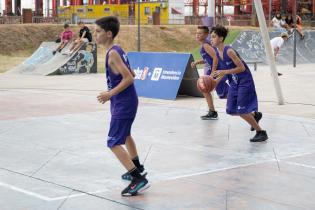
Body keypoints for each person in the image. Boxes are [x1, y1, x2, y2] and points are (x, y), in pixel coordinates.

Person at [95, 16, 149, 196]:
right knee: (125, 135)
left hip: (124, 102)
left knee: (113, 142)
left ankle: (137, 179)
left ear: (108, 34)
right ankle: (138, 167)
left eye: (98, 31)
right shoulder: (117, 50)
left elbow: (130, 77)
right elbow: (131, 72)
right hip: (124, 100)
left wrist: (110, 93)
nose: (95, 34)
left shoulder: (113, 53)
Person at [210, 25, 268, 142]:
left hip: (244, 81)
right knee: (231, 110)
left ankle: (261, 132)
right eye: (211, 37)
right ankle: (254, 116)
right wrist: (214, 82)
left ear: (221, 39)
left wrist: (224, 72)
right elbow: (223, 72)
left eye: (214, 37)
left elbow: (241, 68)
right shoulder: (217, 52)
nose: (211, 39)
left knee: (241, 110)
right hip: (234, 83)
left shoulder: (229, 51)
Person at [191, 25, 228, 120]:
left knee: (224, 94)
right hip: (214, 71)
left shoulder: (206, 45)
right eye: (196, 33)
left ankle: (250, 110)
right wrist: (197, 62)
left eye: (200, 33)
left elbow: (215, 57)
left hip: (215, 72)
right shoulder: (204, 45)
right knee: (206, 90)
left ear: (206, 34)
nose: (197, 35)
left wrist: (212, 73)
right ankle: (212, 111)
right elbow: (208, 59)